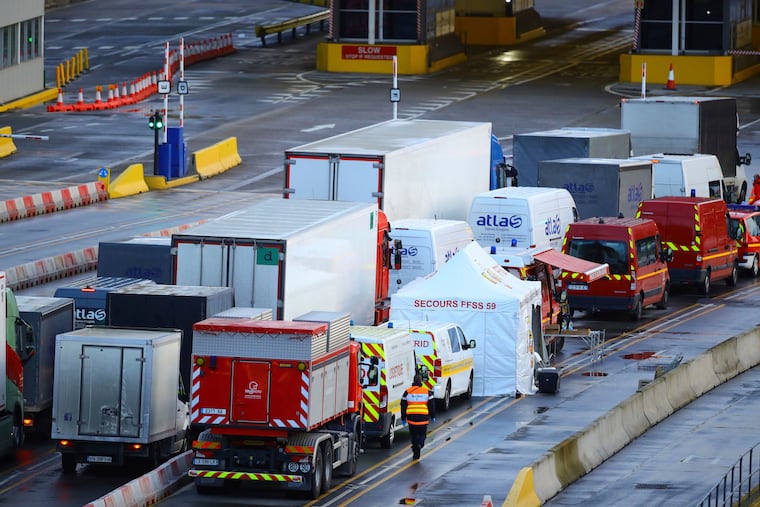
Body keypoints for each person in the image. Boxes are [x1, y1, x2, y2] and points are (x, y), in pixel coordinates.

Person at [400, 374, 435, 460]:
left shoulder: (407, 392)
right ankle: (419, 445)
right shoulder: (426, 392)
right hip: (423, 418)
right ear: (421, 382)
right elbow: (431, 405)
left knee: (414, 434)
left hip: (411, 418)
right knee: (422, 434)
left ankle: (416, 447)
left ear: (413, 381)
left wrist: (403, 418)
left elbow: (403, 405)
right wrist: (433, 416)